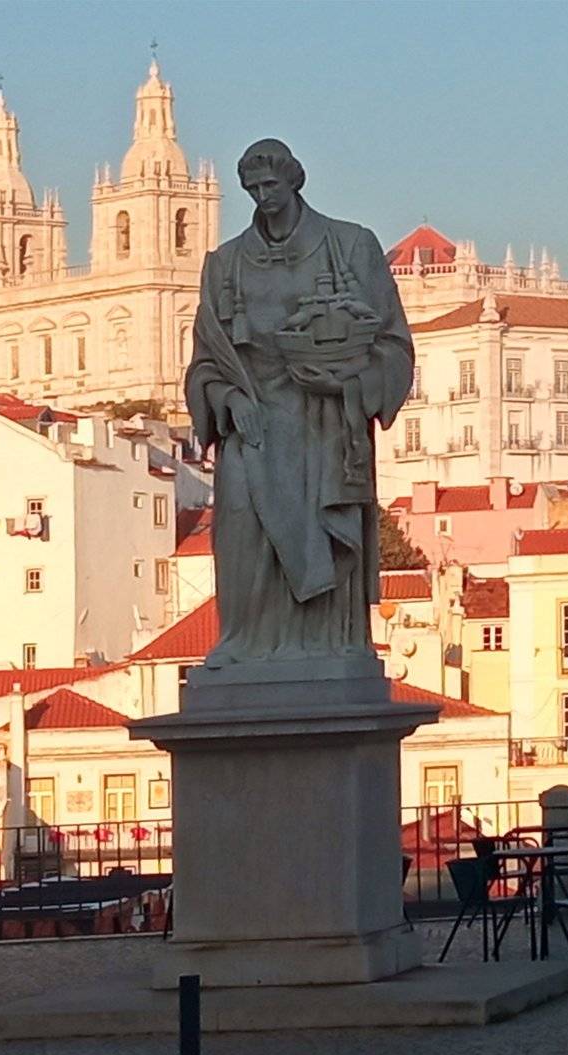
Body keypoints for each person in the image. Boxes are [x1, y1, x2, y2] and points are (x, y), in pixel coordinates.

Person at [185, 139, 414, 663]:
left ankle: (326, 645)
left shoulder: (351, 246)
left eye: (271, 186)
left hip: (326, 424)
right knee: (242, 531)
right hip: (253, 425)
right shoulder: (225, 265)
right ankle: (245, 644)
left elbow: (394, 344)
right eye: (253, 189)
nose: (263, 197)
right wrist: (224, 397)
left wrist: (348, 382)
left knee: (323, 539)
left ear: (295, 182)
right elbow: (203, 363)